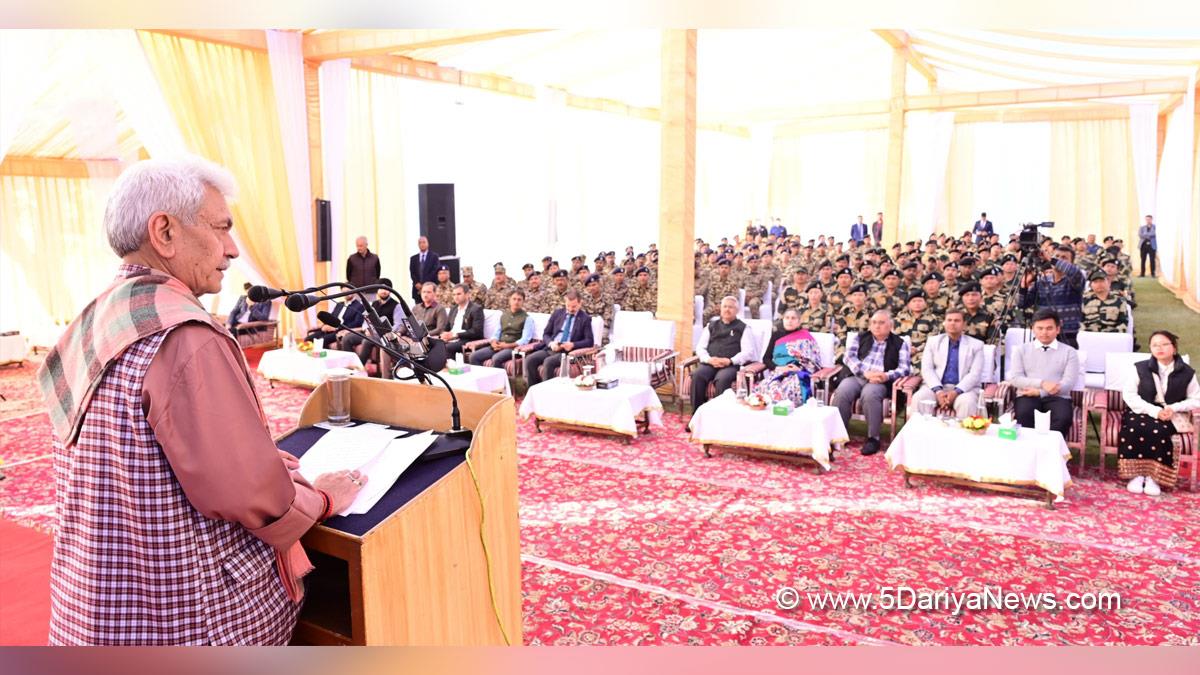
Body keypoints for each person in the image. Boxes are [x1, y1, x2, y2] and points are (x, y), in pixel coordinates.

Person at [35, 156, 364, 645]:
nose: (232, 250)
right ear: (164, 232)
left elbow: (144, 452)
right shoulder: (185, 335)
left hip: (97, 606)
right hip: (182, 619)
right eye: (222, 228)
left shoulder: (98, 314)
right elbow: (254, 497)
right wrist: (323, 496)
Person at [1119, 330, 1200, 495]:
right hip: (1142, 409)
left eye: (1164, 344)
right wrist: (1154, 411)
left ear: (1174, 348)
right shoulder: (1140, 368)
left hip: (1171, 412)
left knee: (1160, 430)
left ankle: (1153, 477)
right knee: (1135, 426)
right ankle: (1136, 475)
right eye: (1155, 345)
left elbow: (1196, 399)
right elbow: (1129, 395)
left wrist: (1173, 408)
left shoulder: (1187, 373)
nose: (1159, 348)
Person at [834, 310, 912, 456]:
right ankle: (838, 434)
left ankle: (873, 438)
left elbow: (904, 368)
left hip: (880, 381)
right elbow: (848, 358)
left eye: (882, 323)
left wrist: (886, 376)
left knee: (870, 394)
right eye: (874, 322)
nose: (877, 326)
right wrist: (865, 372)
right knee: (843, 390)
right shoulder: (860, 337)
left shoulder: (900, 343)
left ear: (891, 325)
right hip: (858, 376)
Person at [1007, 309, 1079, 438]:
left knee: (1062, 418)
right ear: (1033, 329)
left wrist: (1040, 392)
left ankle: (1051, 453)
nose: (1044, 332)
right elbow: (1015, 378)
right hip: (1027, 395)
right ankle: (1029, 451)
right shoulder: (1021, 350)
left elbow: (1068, 383)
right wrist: (1042, 383)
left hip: (1059, 397)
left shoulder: (1070, 352)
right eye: (1040, 328)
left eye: (1049, 328)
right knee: (1024, 414)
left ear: (1058, 329)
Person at [910, 309, 986, 419]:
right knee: (919, 398)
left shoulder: (976, 345)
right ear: (944, 323)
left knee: (967, 403)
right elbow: (927, 369)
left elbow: (975, 374)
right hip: (935, 386)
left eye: (957, 320)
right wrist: (938, 391)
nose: (952, 323)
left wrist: (956, 392)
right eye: (949, 320)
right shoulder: (933, 342)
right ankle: (920, 435)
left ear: (964, 324)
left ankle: (962, 435)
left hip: (964, 389)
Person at [688, 296, 756, 417]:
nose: (727, 310)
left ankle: (718, 416)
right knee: (698, 375)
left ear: (737, 310)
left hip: (730, 365)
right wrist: (708, 359)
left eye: (731, 307)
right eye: (725, 306)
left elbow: (748, 351)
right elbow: (700, 348)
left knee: (722, 379)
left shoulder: (743, 328)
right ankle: (696, 416)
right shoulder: (711, 326)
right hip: (710, 362)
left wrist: (730, 361)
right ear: (720, 308)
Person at [1018, 244, 1085, 349]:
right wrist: (1023, 287)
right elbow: (1022, 304)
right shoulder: (1042, 280)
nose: (1059, 260)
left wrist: (1050, 258)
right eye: (1057, 256)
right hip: (1042, 335)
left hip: (1067, 336)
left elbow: (1074, 272)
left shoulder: (1074, 281)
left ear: (1071, 263)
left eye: (1064, 258)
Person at [753, 308, 822, 406]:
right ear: (783, 320)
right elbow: (766, 358)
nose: (789, 320)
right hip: (778, 372)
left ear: (799, 322)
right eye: (787, 318)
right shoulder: (776, 335)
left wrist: (799, 368)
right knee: (768, 389)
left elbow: (813, 359)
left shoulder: (805, 336)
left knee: (790, 389)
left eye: (793, 318)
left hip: (798, 373)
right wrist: (779, 368)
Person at [524, 290, 594, 386]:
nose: (570, 309)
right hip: (552, 348)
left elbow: (589, 341)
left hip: (567, 353)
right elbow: (546, 334)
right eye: (568, 306)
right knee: (530, 360)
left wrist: (573, 344)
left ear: (580, 303)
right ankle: (533, 391)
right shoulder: (557, 313)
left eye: (573, 306)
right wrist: (551, 343)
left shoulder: (585, 318)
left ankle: (549, 395)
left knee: (548, 362)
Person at [470, 289, 535, 369]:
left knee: (496, 359)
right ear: (509, 300)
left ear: (523, 302)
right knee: (474, 356)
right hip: (498, 345)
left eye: (519, 300)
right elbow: (496, 333)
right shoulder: (503, 315)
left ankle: (498, 381)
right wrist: (494, 342)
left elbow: (525, 340)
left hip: (512, 348)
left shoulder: (527, 318)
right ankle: (482, 379)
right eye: (514, 299)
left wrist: (507, 345)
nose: (516, 302)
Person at [341, 279, 398, 368]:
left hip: (383, 335)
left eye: (386, 288)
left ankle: (358, 368)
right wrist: (366, 328)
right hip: (369, 333)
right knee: (346, 339)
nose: (383, 291)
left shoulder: (396, 305)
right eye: (380, 288)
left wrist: (389, 334)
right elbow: (366, 319)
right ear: (377, 290)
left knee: (367, 341)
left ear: (390, 290)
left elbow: (397, 324)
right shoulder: (373, 304)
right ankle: (349, 365)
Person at [439, 283, 485, 357]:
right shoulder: (453, 309)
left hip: (466, 339)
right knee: (434, 345)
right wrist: (444, 335)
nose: (456, 297)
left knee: (447, 348)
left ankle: (451, 368)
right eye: (454, 295)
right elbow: (447, 327)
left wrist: (456, 335)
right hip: (451, 338)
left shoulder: (476, 309)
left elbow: (477, 331)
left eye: (459, 294)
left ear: (467, 295)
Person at [408, 235, 440, 302]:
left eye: (424, 242)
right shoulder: (413, 258)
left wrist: (424, 284)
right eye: (420, 243)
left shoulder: (434, 257)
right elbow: (412, 272)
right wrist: (416, 283)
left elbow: (434, 271)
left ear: (427, 243)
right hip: (417, 290)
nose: (422, 244)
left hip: (430, 288)